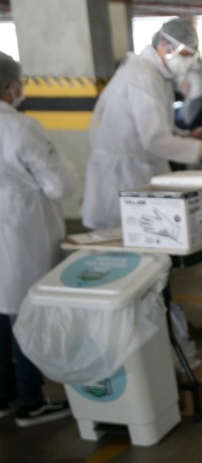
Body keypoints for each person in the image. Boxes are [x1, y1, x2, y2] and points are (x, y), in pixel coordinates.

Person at [81, 18, 202, 230]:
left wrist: (185, 136)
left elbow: (151, 125)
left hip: (140, 167)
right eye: (185, 54)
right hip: (124, 176)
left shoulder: (156, 74)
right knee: (131, 240)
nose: (189, 61)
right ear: (164, 46)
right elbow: (154, 140)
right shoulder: (142, 77)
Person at [0, 52, 75, 427]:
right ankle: (31, 401)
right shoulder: (21, 128)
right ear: (11, 87)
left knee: (0, 314)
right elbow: (58, 184)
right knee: (25, 315)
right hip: (20, 232)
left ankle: (6, 394)